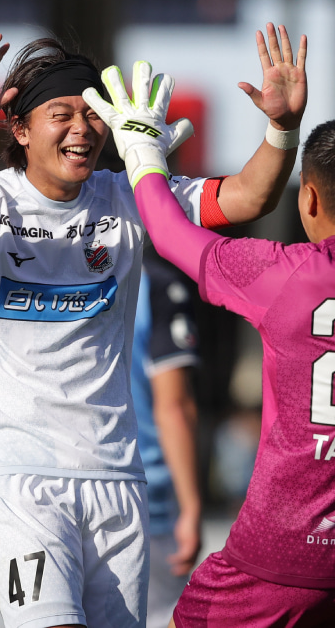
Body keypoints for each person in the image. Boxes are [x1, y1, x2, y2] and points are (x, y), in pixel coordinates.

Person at [0, 23, 307, 628]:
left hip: (114, 477)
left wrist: (282, 128)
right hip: (18, 477)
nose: (82, 128)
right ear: (20, 131)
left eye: (92, 113)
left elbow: (247, 198)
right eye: (60, 114)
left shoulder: (128, 196)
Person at [84, 63, 335, 627]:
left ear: (308, 200)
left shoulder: (282, 272)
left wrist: (143, 153)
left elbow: (168, 235)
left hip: (278, 559)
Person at [131, 248, 202, 628]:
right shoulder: (155, 285)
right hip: (144, 501)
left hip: (48, 492)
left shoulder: (45, 275)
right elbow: (173, 405)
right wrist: (190, 507)